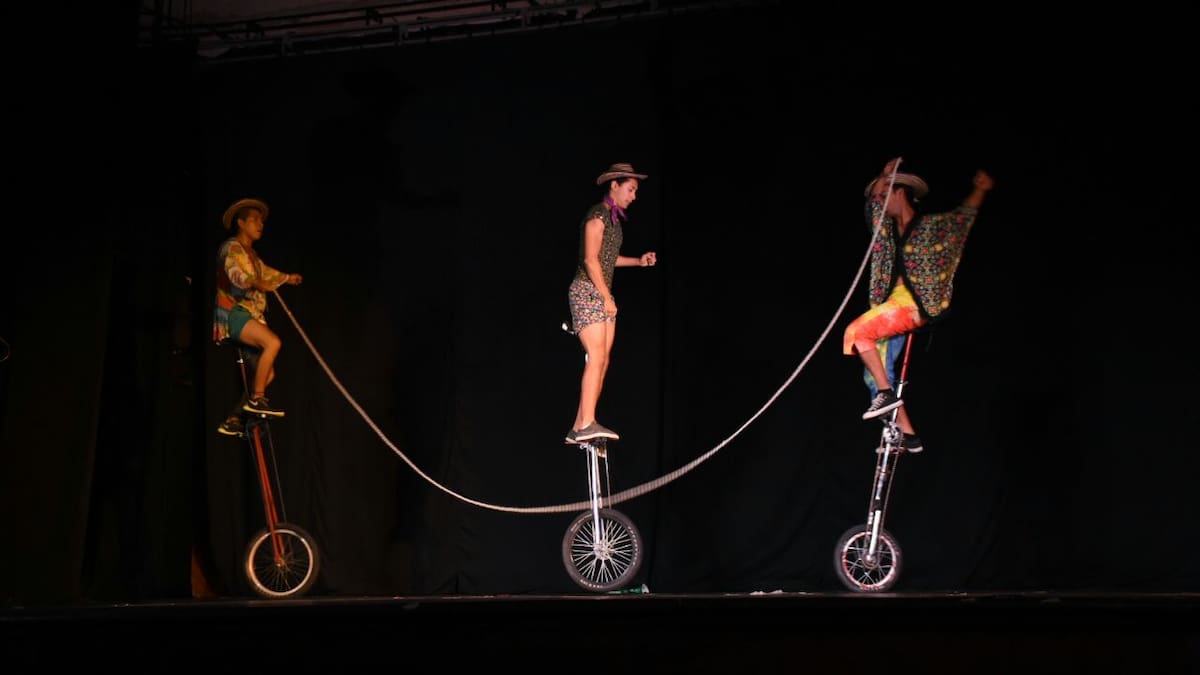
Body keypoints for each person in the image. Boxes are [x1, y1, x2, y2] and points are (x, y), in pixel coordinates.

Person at [844, 158, 994, 453]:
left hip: (913, 305)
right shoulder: (886, 232)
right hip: (889, 306)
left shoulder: (930, 228)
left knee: (857, 332)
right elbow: (873, 203)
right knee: (874, 371)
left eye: (886, 194)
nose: (880, 203)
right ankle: (908, 436)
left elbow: (961, 219)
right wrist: (884, 175)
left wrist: (980, 191)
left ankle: (887, 395)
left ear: (900, 193)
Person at [565, 163, 658, 444]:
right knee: (596, 355)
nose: (634, 196)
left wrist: (638, 261)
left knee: (603, 358)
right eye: (631, 190)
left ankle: (580, 425)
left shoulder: (614, 222)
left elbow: (608, 259)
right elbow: (590, 259)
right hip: (587, 291)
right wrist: (606, 297)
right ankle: (586, 423)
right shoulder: (597, 215)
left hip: (602, 292)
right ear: (614, 186)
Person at [213, 198, 303, 437]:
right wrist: (255, 282)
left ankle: (234, 419)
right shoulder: (231, 248)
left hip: (250, 315)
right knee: (273, 343)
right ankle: (257, 400)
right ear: (241, 223)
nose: (260, 224)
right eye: (254, 220)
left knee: (267, 374)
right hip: (234, 313)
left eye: (261, 221)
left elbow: (266, 273)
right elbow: (236, 274)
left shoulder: (252, 254)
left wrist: (287, 278)